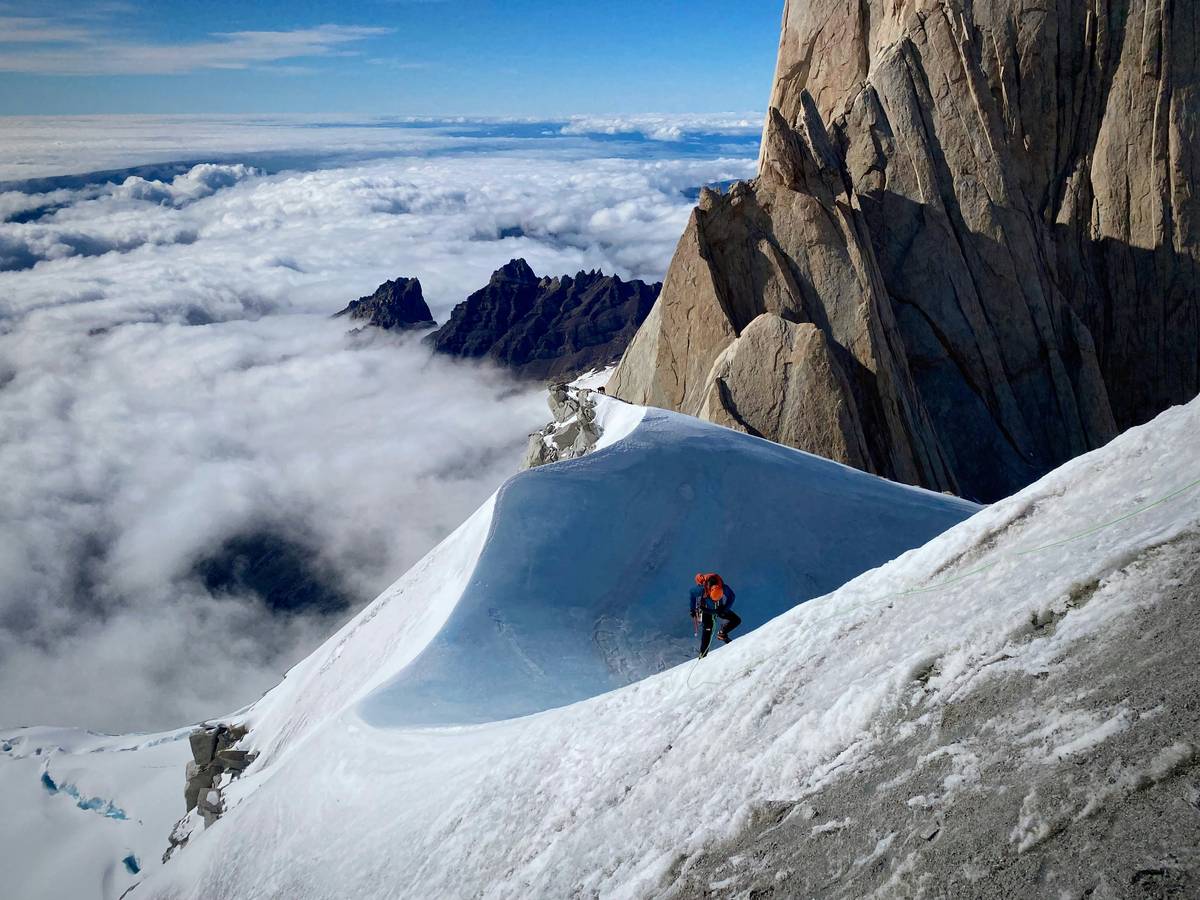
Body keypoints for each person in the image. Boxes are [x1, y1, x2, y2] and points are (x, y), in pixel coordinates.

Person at [690, 573, 741, 658]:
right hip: (707, 610)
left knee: (736, 620)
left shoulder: (723, 587)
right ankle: (703, 655)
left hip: (718, 609)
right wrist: (693, 609)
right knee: (707, 630)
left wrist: (724, 608)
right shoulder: (702, 588)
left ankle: (722, 633)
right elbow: (692, 594)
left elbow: (732, 597)